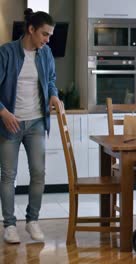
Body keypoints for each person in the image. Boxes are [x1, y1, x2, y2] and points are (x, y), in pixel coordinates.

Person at [0, 8, 60, 244]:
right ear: (31, 30)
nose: (47, 40)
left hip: (36, 122)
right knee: (8, 176)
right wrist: (3, 113)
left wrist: (54, 95)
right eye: (44, 34)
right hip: (10, 124)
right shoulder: (6, 53)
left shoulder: (45, 54)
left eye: (50, 36)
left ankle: (32, 220)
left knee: (38, 173)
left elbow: (52, 80)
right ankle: (10, 225)